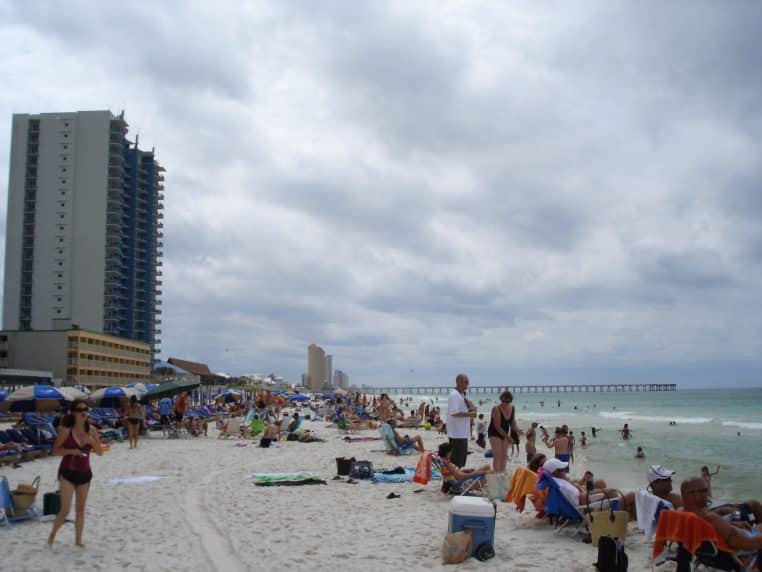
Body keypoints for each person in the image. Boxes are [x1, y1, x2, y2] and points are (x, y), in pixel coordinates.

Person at [48, 399, 104, 548]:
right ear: (73, 413)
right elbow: (54, 451)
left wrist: (92, 441)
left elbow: (100, 453)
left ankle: (78, 541)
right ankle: (52, 535)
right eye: (80, 410)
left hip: (85, 473)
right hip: (67, 472)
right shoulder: (66, 430)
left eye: (86, 409)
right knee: (65, 510)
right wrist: (71, 451)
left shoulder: (92, 430)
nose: (84, 412)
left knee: (80, 509)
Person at [681, 477, 762, 553]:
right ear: (696, 496)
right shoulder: (711, 518)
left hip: (734, 532)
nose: (708, 492)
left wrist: (732, 524)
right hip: (747, 540)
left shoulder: (682, 515)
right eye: (705, 490)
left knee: (749, 506)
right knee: (751, 510)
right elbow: (743, 543)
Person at [542, 458, 620, 506]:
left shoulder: (558, 482)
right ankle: (619, 514)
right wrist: (579, 486)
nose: (565, 471)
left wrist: (581, 482)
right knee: (612, 491)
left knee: (600, 482)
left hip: (582, 498)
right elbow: (581, 497)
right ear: (557, 472)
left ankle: (612, 508)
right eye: (563, 469)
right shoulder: (562, 484)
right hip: (585, 504)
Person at [446, 374, 476, 468]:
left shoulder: (461, 395)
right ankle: (454, 480)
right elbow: (454, 413)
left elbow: (464, 410)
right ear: (458, 382)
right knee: (456, 461)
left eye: (468, 382)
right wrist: (470, 414)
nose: (468, 384)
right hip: (457, 433)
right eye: (466, 382)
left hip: (461, 432)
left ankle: (456, 479)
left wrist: (471, 408)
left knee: (461, 460)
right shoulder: (454, 395)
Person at [487, 390, 520, 473]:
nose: (505, 403)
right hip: (494, 433)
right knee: (497, 456)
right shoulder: (496, 408)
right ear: (501, 399)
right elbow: (497, 426)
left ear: (510, 401)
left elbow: (512, 422)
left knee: (504, 456)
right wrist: (508, 437)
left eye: (507, 402)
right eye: (503, 401)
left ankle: (502, 474)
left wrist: (517, 429)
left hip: (504, 433)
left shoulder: (512, 407)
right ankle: (496, 475)